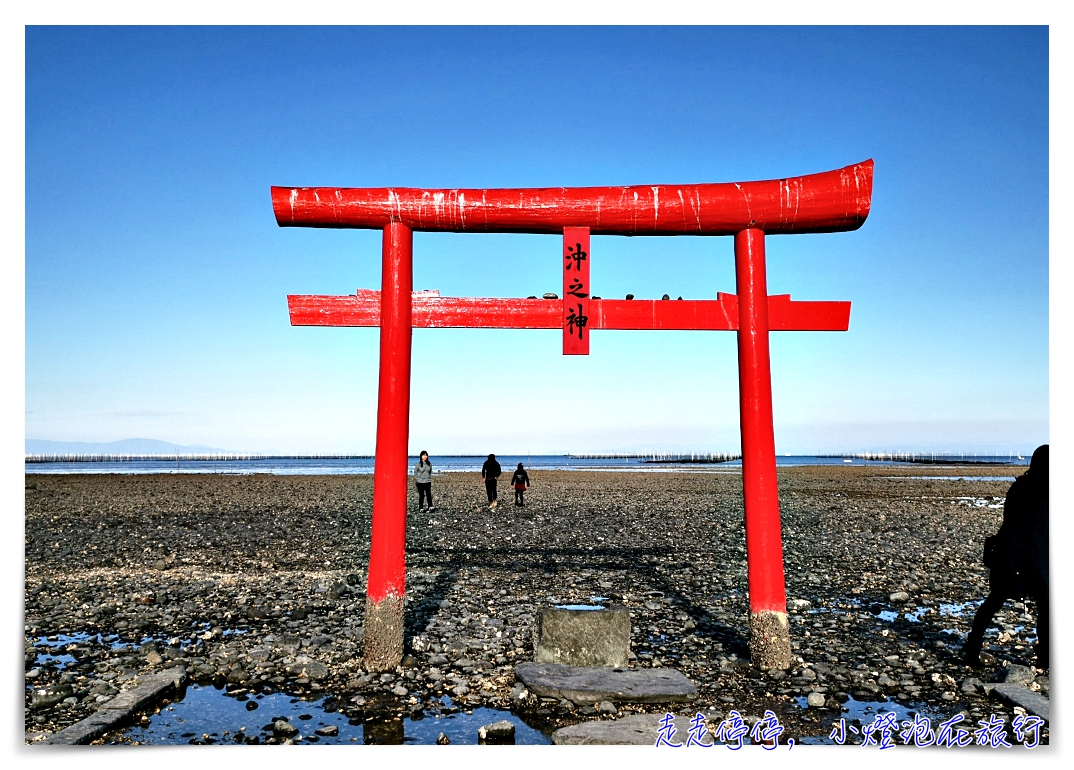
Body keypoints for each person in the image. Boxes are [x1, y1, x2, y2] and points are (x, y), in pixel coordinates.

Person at [964, 444, 1049, 669]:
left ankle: (973, 647)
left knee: (995, 600)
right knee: (1046, 606)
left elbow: (1009, 520)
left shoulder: (1019, 487)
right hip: (1038, 557)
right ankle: (1045, 657)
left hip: (1011, 553)